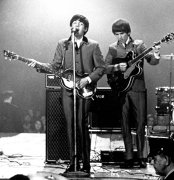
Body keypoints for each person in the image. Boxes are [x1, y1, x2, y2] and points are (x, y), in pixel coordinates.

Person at [29, 14, 105, 175]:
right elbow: (55, 66)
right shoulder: (63, 44)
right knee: (70, 126)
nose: (75, 25)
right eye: (73, 23)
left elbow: (101, 68)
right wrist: (39, 65)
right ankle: (73, 162)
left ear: (85, 28)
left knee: (82, 125)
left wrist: (88, 79)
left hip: (85, 91)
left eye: (79, 23)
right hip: (67, 91)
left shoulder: (93, 45)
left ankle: (86, 164)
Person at [104, 18, 161, 168]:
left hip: (138, 88)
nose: (119, 37)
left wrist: (156, 54)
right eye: (116, 34)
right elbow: (104, 67)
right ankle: (128, 156)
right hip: (121, 90)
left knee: (141, 123)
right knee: (124, 124)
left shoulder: (139, 45)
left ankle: (142, 157)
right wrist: (116, 67)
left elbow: (152, 61)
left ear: (128, 32)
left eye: (121, 33)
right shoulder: (112, 47)